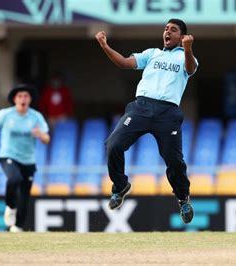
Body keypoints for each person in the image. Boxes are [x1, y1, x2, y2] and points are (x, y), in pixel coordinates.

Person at [95, 18, 198, 224]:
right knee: (113, 145)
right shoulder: (152, 54)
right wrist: (105, 46)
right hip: (141, 107)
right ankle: (120, 186)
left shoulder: (186, 56)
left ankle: (182, 198)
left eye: (173, 30)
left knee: (174, 161)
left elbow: (190, 69)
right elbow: (124, 62)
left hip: (167, 113)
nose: (167, 32)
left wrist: (188, 49)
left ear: (181, 37)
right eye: (166, 28)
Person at [0, 84, 50, 232]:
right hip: (8, 156)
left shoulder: (36, 116)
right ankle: (10, 206)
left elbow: (47, 139)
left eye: (26, 96)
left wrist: (40, 135)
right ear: (15, 99)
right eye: (20, 96)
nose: (23, 99)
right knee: (14, 179)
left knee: (24, 195)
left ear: (30, 99)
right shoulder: (5, 114)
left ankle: (17, 227)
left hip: (28, 160)